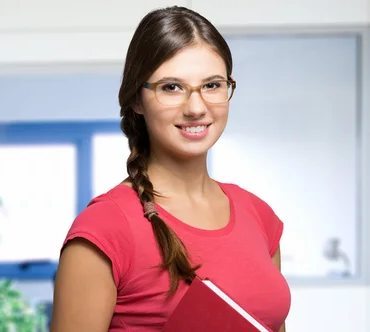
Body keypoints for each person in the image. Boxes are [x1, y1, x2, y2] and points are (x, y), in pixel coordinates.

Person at [50, 6, 291, 332]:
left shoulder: (259, 216)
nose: (196, 107)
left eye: (212, 85)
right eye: (171, 87)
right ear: (137, 99)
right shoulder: (104, 229)